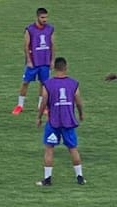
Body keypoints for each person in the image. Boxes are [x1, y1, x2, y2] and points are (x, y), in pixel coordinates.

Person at [36, 57, 86, 186]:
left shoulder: (48, 84)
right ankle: (80, 177)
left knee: (49, 149)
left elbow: (44, 102)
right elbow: (79, 102)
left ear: (54, 68)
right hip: (68, 121)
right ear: (66, 67)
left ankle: (47, 179)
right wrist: (80, 114)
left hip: (53, 122)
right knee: (73, 148)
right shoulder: (73, 83)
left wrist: (39, 117)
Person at [12, 7, 55, 115]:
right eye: (42, 17)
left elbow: (52, 45)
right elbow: (26, 46)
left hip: (45, 61)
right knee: (25, 82)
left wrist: (52, 60)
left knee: (43, 84)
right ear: (37, 17)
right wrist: (29, 61)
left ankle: (41, 106)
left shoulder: (50, 29)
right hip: (34, 62)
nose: (45, 19)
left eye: (46, 17)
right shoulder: (30, 29)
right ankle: (20, 105)